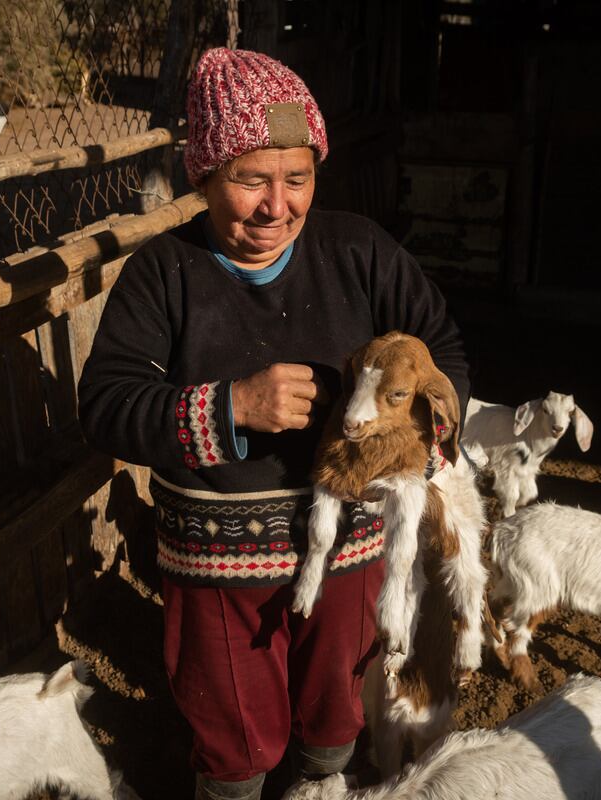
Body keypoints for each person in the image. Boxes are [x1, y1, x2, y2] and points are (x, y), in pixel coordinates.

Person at [77, 47, 470, 800]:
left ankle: (320, 787)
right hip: (217, 569)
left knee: (334, 718)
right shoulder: (166, 273)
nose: (277, 205)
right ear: (203, 177)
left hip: (351, 553)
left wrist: (418, 444)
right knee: (233, 739)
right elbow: (106, 404)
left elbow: (440, 349)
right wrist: (231, 408)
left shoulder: (357, 251)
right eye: (251, 179)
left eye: (298, 179)